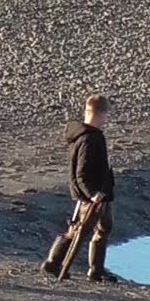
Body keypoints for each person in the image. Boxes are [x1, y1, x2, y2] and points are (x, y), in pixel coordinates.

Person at [41, 94, 118, 282]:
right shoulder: (89, 139)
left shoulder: (88, 136)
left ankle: (96, 270)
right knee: (78, 231)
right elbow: (80, 173)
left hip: (101, 193)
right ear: (100, 114)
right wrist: (92, 194)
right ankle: (53, 263)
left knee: (104, 228)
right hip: (92, 196)